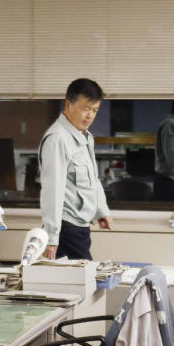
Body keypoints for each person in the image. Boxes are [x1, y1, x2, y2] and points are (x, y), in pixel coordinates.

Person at [39, 78, 114, 259]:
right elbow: (53, 191)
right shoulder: (58, 139)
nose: (90, 116)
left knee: (78, 283)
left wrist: (101, 211)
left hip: (81, 227)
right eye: (85, 108)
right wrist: (51, 238)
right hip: (66, 228)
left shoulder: (84, 137)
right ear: (68, 104)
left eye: (95, 110)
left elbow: (93, 180)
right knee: (85, 283)